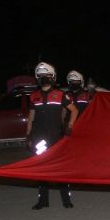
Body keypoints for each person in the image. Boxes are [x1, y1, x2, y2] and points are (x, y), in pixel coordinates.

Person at [27, 62, 78, 210]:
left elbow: (74, 110)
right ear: (37, 78)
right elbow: (31, 117)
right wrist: (28, 135)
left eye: (47, 76)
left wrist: (70, 125)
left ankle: (66, 200)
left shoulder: (60, 94)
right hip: (38, 138)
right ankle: (43, 201)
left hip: (56, 137)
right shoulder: (33, 96)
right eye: (41, 76)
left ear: (53, 77)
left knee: (60, 169)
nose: (44, 78)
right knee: (41, 169)